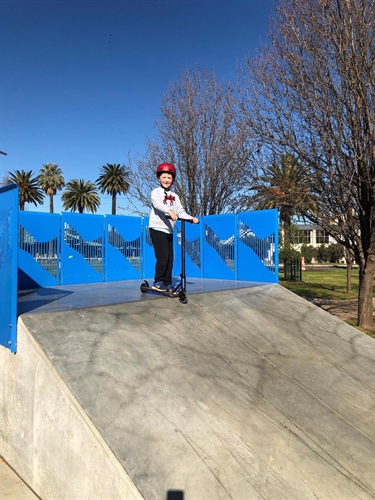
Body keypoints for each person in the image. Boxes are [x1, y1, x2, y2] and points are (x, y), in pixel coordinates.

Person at [149, 162, 199, 291]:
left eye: (169, 177)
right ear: (159, 178)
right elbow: (157, 204)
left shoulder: (175, 196)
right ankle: (158, 281)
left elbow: (180, 211)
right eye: (164, 177)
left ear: (173, 179)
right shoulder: (156, 192)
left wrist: (190, 218)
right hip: (157, 228)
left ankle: (167, 282)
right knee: (163, 257)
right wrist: (169, 211)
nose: (166, 180)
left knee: (170, 258)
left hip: (169, 230)